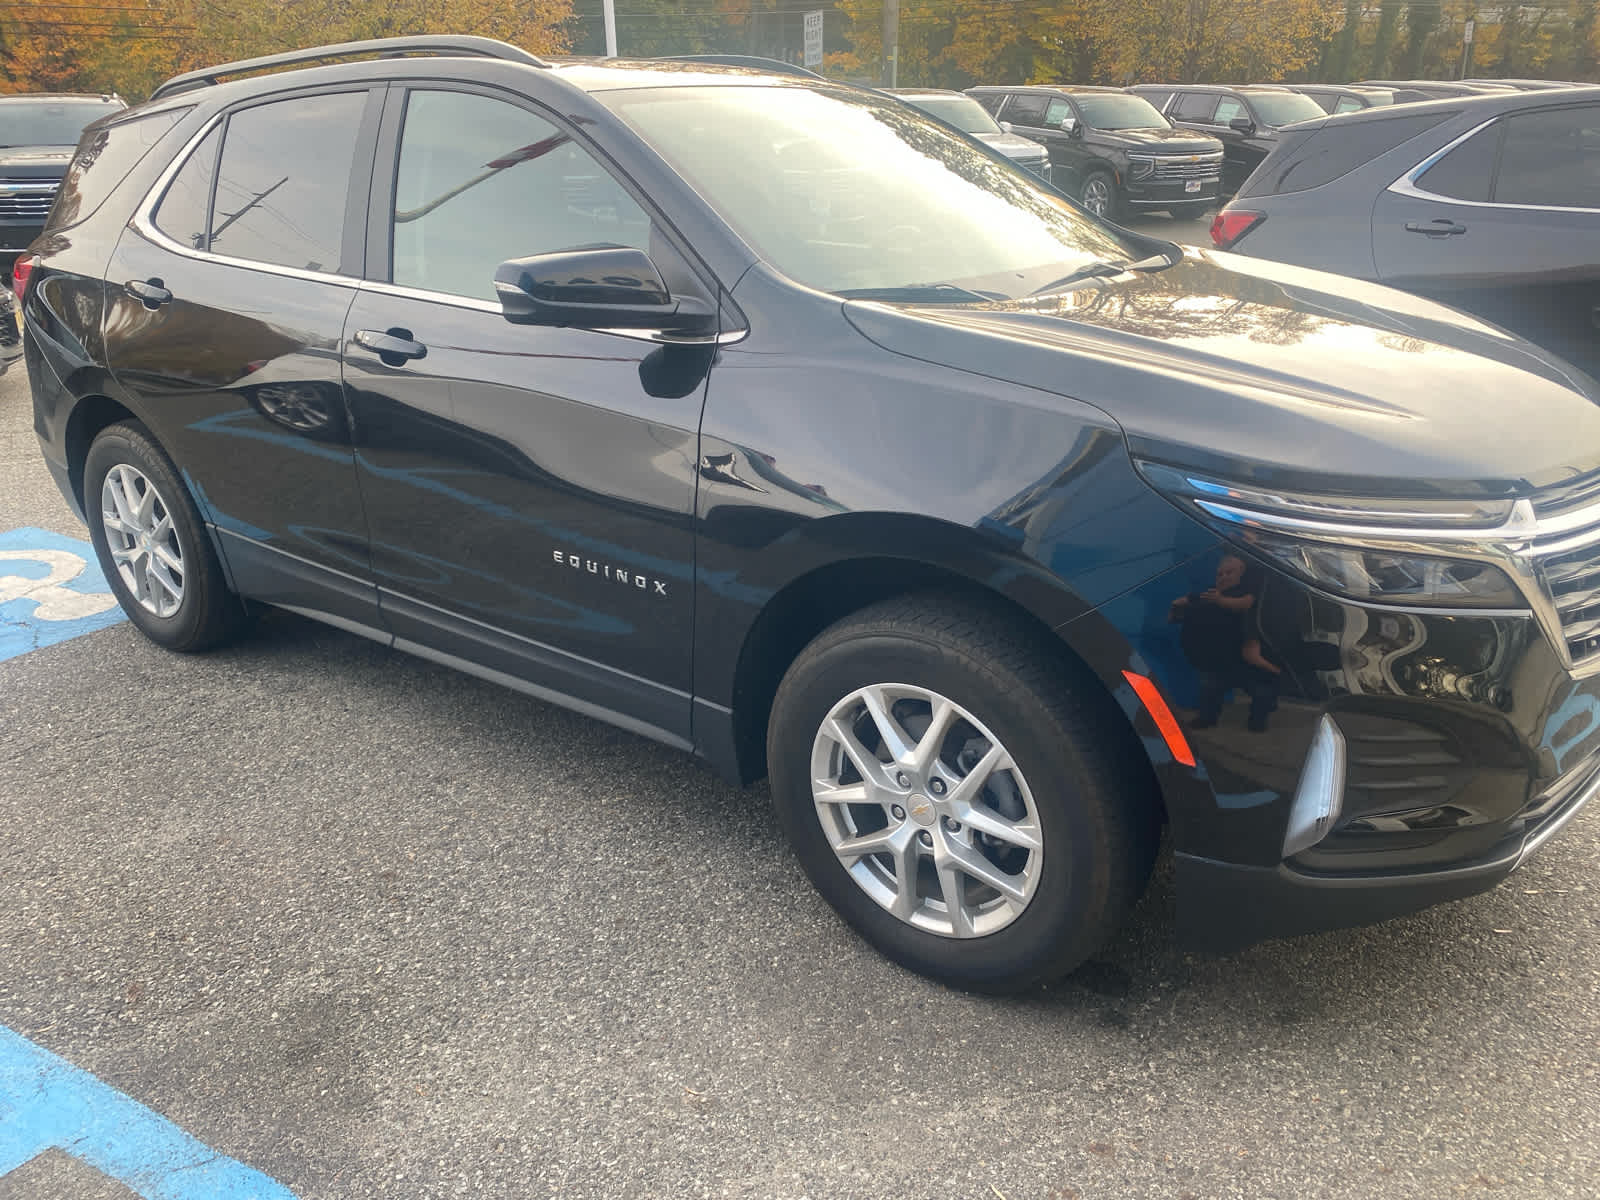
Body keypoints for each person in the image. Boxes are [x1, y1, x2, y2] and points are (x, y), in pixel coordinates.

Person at [1169, 553, 1281, 732]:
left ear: (1241, 574)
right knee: (1209, 690)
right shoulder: (1210, 594)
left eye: (1229, 573)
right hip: (1215, 657)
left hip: (1243, 656)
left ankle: (1257, 720)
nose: (1223, 577)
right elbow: (1188, 604)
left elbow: (1245, 604)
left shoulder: (1247, 593)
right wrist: (1178, 607)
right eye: (1219, 574)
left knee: (1261, 690)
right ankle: (1207, 718)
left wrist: (1219, 600)